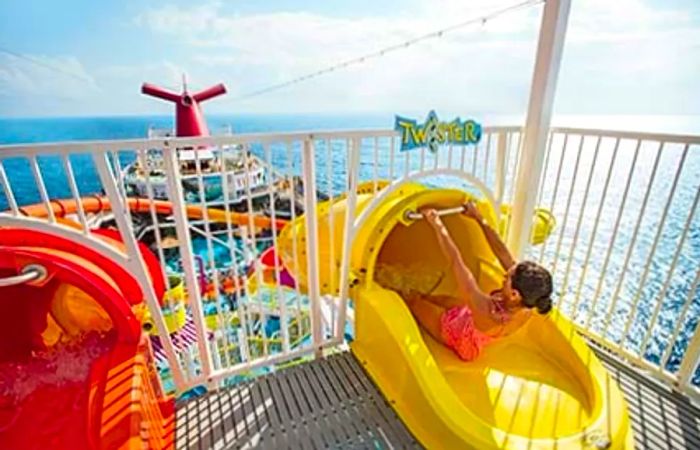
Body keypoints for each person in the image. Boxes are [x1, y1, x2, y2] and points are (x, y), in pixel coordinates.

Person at [405, 201, 553, 361]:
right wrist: (478, 217)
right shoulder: (529, 302)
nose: (504, 277)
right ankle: (426, 298)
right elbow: (501, 251)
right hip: (473, 320)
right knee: (436, 299)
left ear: (514, 294)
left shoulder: (485, 310)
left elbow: (456, 261)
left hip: (461, 338)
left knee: (413, 301)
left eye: (507, 278)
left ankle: (412, 299)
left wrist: (437, 225)